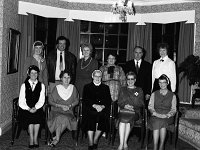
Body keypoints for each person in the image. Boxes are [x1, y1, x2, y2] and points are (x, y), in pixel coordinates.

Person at [47, 70, 79, 147]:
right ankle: (57, 139)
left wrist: (70, 106)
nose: (66, 79)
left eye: (68, 77)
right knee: (60, 117)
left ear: (71, 79)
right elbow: (50, 101)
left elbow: (77, 101)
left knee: (64, 118)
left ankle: (56, 138)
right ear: (61, 78)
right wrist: (60, 106)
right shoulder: (56, 88)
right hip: (56, 111)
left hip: (68, 111)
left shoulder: (73, 88)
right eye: (64, 77)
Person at [82, 70, 112, 150]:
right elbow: (85, 100)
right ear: (92, 77)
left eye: (99, 76)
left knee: (103, 116)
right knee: (90, 116)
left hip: (102, 109)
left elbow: (108, 100)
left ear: (101, 78)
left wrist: (102, 106)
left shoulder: (106, 87)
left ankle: (95, 140)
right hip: (90, 108)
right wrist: (94, 105)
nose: (97, 78)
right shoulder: (87, 87)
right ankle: (91, 142)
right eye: (96, 76)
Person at [18, 65, 45, 148]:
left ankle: (35, 138)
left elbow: (41, 100)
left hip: (37, 108)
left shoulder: (42, 85)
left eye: (35, 73)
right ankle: (31, 138)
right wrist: (28, 108)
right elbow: (21, 101)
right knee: (29, 116)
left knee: (37, 116)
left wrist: (36, 108)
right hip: (26, 108)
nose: (34, 75)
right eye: (32, 73)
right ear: (29, 74)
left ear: (38, 74)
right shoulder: (24, 85)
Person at [148, 74, 177, 150]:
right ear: (158, 83)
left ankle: (159, 146)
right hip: (155, 115)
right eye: (160, 82)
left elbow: (174, 109)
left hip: (167, 117)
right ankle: (159, 147)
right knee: (159, 122)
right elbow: (150, 106)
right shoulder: (154, 94)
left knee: (162, 122)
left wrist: (167, 115)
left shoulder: (173, 95)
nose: (162, 84)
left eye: (164, 82)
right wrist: (155, 113)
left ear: (167, 83)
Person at [117, 72, 144, 150]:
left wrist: (132, 106)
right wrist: (125, 106)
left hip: (135, 112)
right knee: (123, 121)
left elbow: (141, 103)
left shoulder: (139, 90)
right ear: (126, 80)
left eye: (132, 79)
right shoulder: (122, 89)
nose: (130, 81)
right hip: (123, 111)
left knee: (127, 119)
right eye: (128, 79)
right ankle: (122, 144)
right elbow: (119, 102)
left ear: (135, 80)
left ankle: (124, 143)